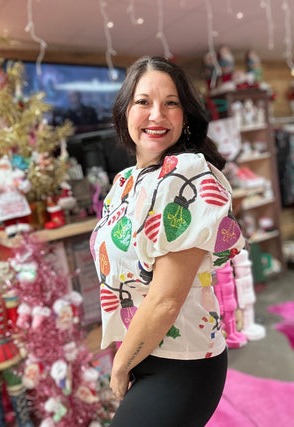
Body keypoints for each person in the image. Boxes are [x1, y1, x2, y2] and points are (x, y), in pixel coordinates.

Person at [90, 56, 245, 427]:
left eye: (171, 103)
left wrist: (120, 364)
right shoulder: (124, 181)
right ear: (126, 111)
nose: (156, 114)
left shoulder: (189, 175)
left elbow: (166, 300)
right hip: (144, 351)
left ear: (186, 115)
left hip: (183, 361)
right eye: (143, 102)